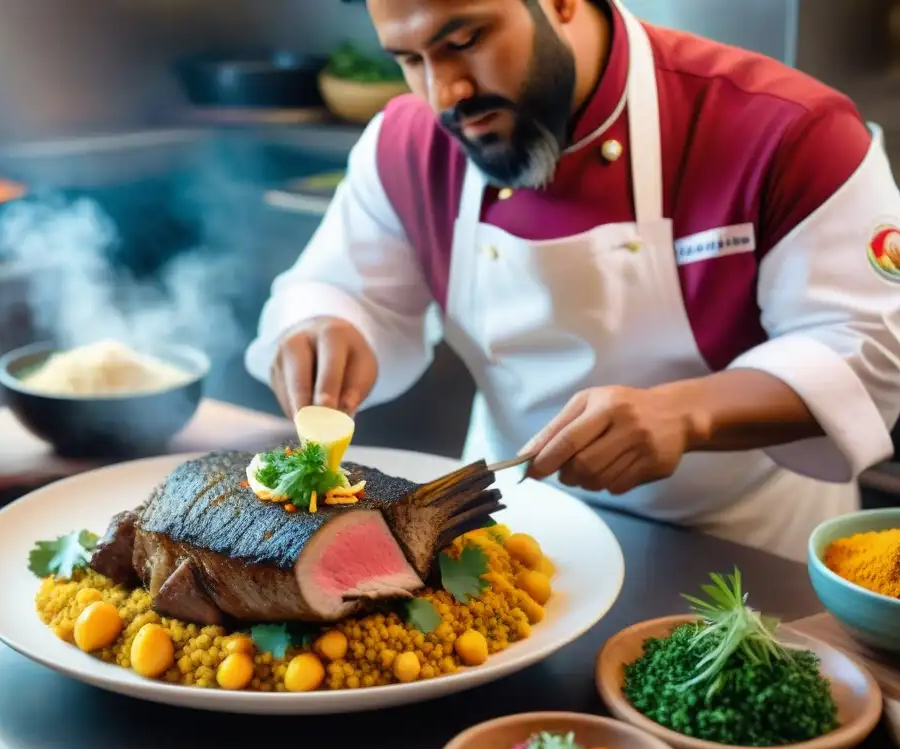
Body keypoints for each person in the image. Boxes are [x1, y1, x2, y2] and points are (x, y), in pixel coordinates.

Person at [245, 0, 900, 561]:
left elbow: (868, 350)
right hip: (506, 531)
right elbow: (338, 288)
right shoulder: (408, 144)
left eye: (464, 42)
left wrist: (686, 413)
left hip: (743, 550)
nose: (443, 94)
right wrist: (323, 326)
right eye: (409, 60)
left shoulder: (786, 129)